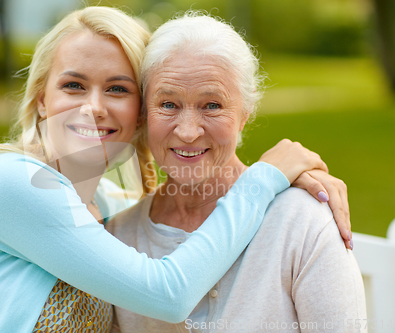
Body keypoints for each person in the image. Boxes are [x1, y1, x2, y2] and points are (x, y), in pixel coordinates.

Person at [0, 7, 350, 333]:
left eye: (117, 89)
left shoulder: (110, 210)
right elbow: (168, 295)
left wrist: (294, 179)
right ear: (42, 97)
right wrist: (266, 177)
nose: (93, 107)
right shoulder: (5, 182)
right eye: (73, 85)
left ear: (138, 111)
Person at [107, 12, 366, 333]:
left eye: (212, 105)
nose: (188, 132)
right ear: (144, 114)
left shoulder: (303, 221)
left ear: (245, 114)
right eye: (169, 105)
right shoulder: (119, 237)